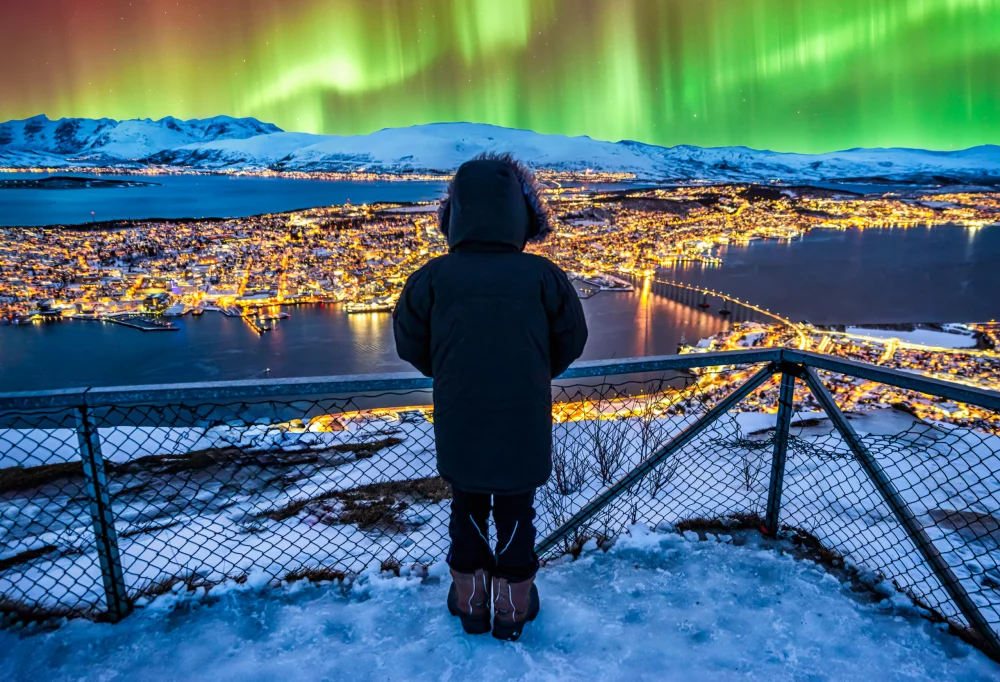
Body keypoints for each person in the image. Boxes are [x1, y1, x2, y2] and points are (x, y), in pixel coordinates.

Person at [392, 153, 588, 641]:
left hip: (460, 415)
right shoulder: (543, 276)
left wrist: (452, 373)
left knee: (468, 506)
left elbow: (409, 342)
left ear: (454, 213)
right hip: (523, 416)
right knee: (518, 511)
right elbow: (572, 339)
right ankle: (513, 608)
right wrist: (532, 372)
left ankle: (471, 600)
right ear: (522, 214)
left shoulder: (431, 277)